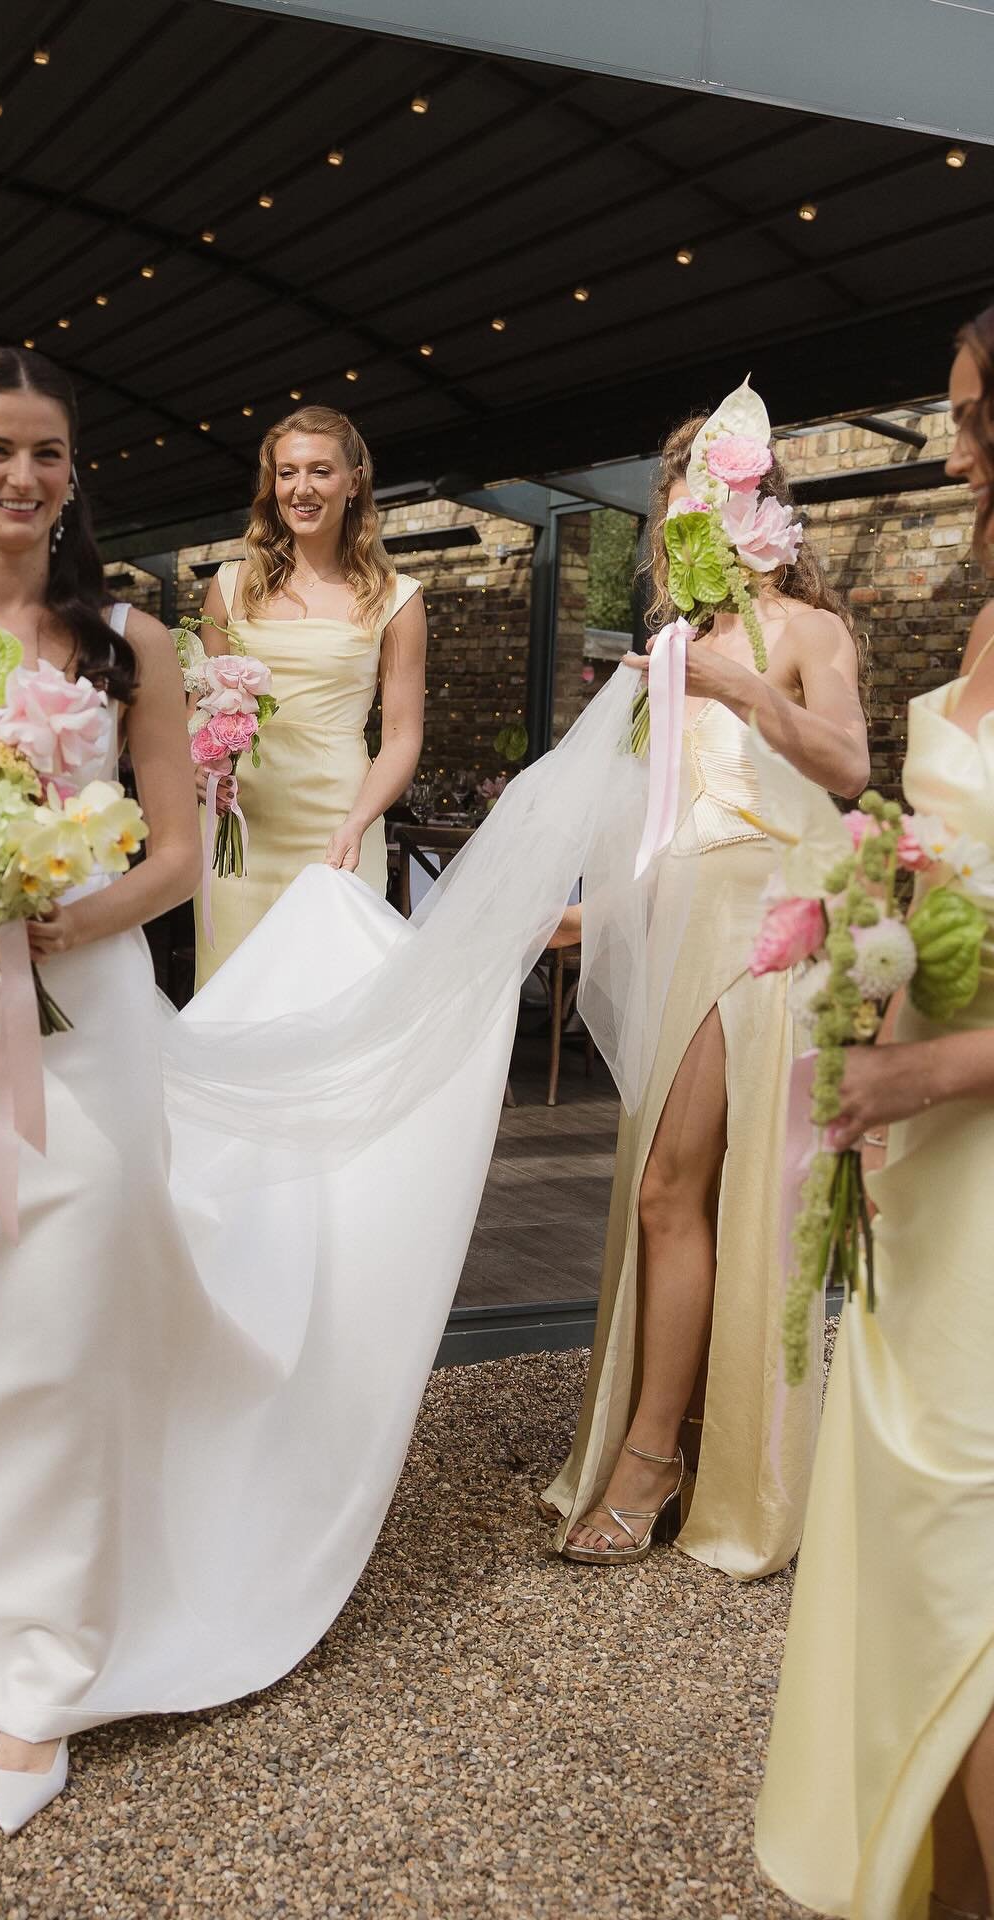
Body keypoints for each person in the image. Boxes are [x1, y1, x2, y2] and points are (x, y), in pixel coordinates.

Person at [0, 347, 576, 1837]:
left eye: (47, 453)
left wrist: (68, 913)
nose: (23, 477)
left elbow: (169, 852)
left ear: (71, 474)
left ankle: (48, 1657)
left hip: (89, 1022)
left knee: (66, 1329)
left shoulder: (131, 642)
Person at [543, 400, 870, 1577]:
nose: (696, 506)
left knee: (676, 1190)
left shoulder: (807, 629)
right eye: (679, 489)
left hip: (759, 928)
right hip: (685, 922)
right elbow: (665, 819)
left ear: (760, 503)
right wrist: (582, 919)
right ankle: (678, 1437)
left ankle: (652, 1464)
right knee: (675, 1193)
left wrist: (744, 692)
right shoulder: (676, 642)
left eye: (716, 486)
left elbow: (850, 768)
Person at [756, 310, 994, 1920]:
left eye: (975, 419)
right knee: (932, 1551)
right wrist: (877, 1005)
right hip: (933, 1177)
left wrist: (922, 1073)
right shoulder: (986, 619)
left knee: (971, 1553)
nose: (957, 447)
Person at [192, 405, 425, 986]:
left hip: (339, 824)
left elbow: (401, 736)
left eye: (321, 471)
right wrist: (199, 768)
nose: (302, 488)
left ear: (354, 481)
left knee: (331, 992)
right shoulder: (229, 585)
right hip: (239, 823)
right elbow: (197, 708)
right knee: (233, 990)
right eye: (287, 472)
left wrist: (358, 822)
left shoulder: (397, 597)